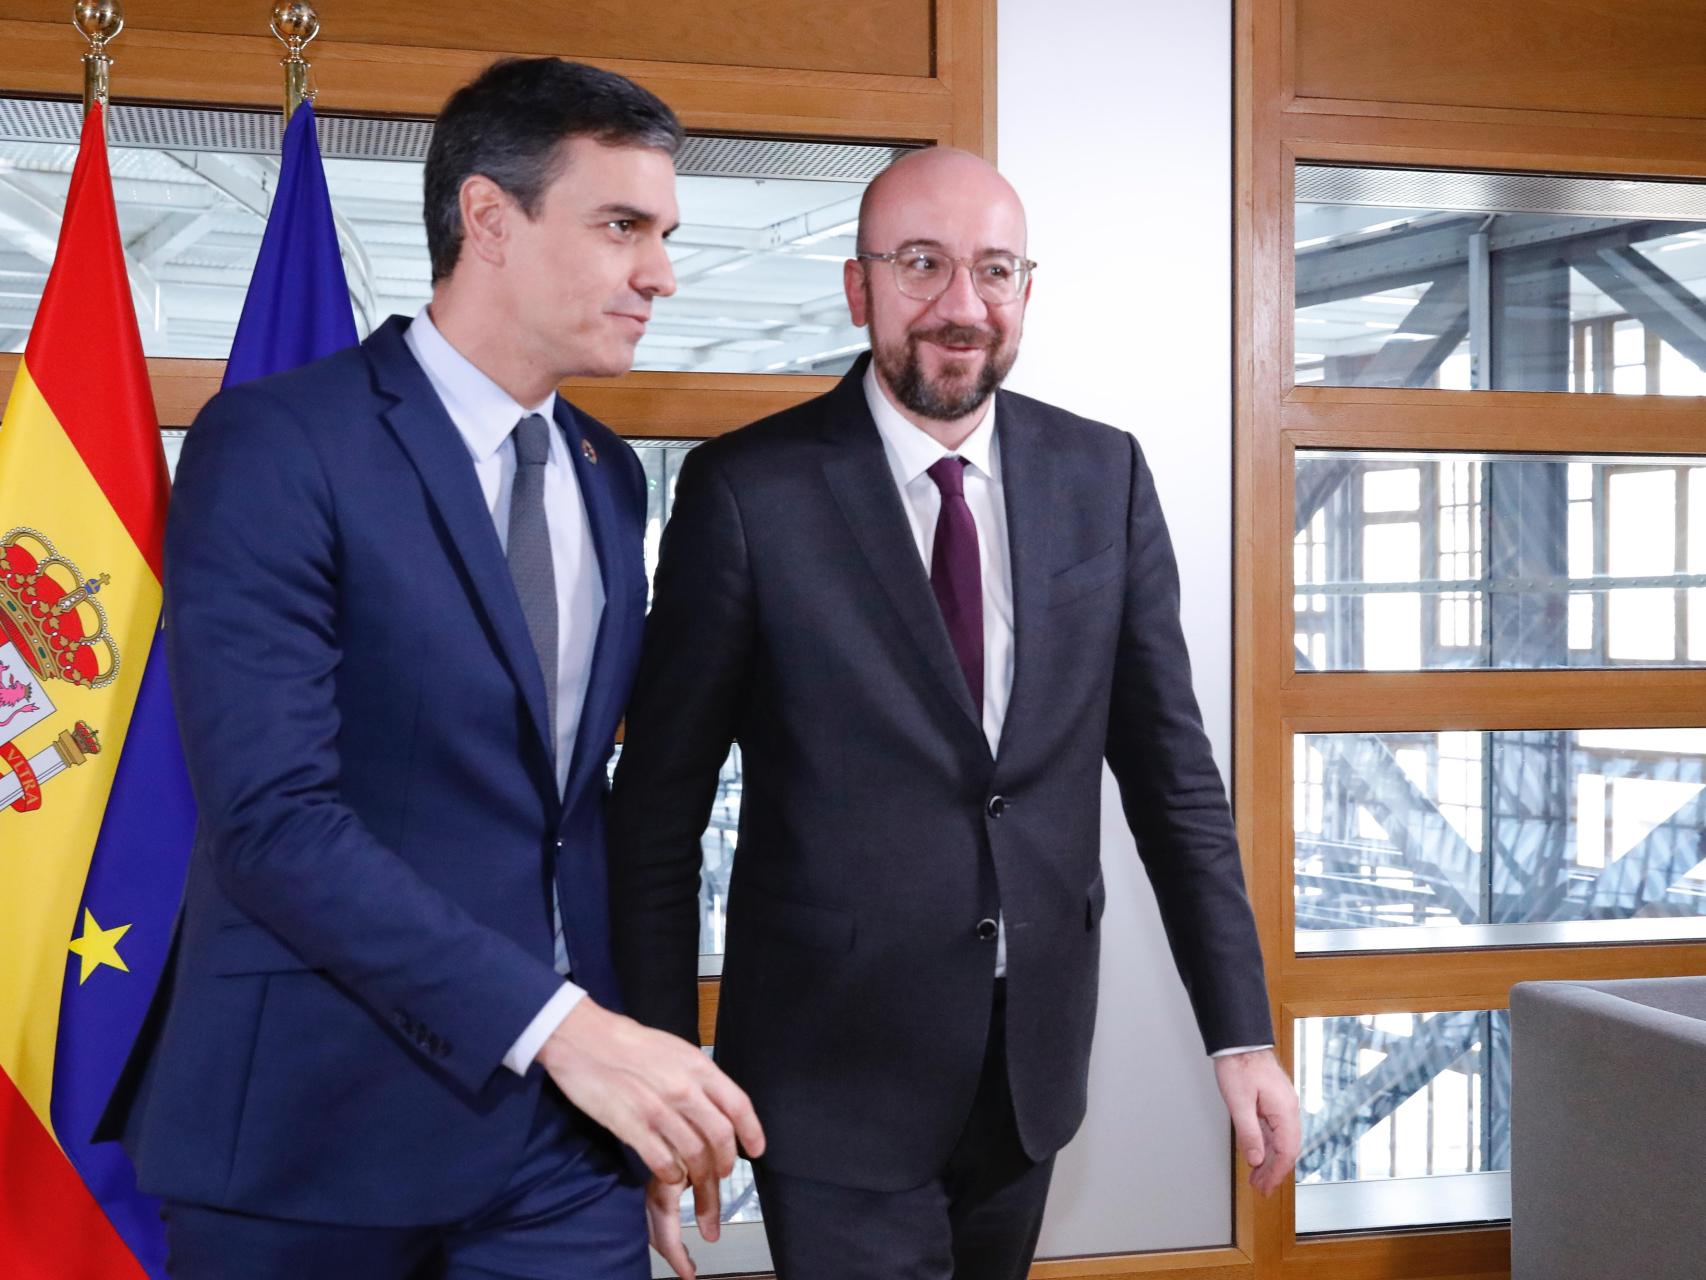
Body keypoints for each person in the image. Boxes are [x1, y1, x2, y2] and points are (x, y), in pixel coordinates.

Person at [100, 58, 762, 1280]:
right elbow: (273, 820)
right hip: (309, 1133)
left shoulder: (613, 478)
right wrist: (566, 1031)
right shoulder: (278, 443)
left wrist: (637, 1091)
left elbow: (574, 819)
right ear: (488, 219)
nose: (659, 271)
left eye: (662, 233)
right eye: (621, 225)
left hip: (556, 1149)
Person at [608, 146, 1300, 1279]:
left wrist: (1241, 1031)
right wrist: (657, 1068)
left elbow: (1174, 779)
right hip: (826, 1077)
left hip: (1027, 1073)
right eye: (920, 264)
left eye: (992, 269)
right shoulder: (747, 491)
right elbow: (656, 811)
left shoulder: (1103, 475)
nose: (959, 305)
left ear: (1026, 288)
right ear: (858, 286)